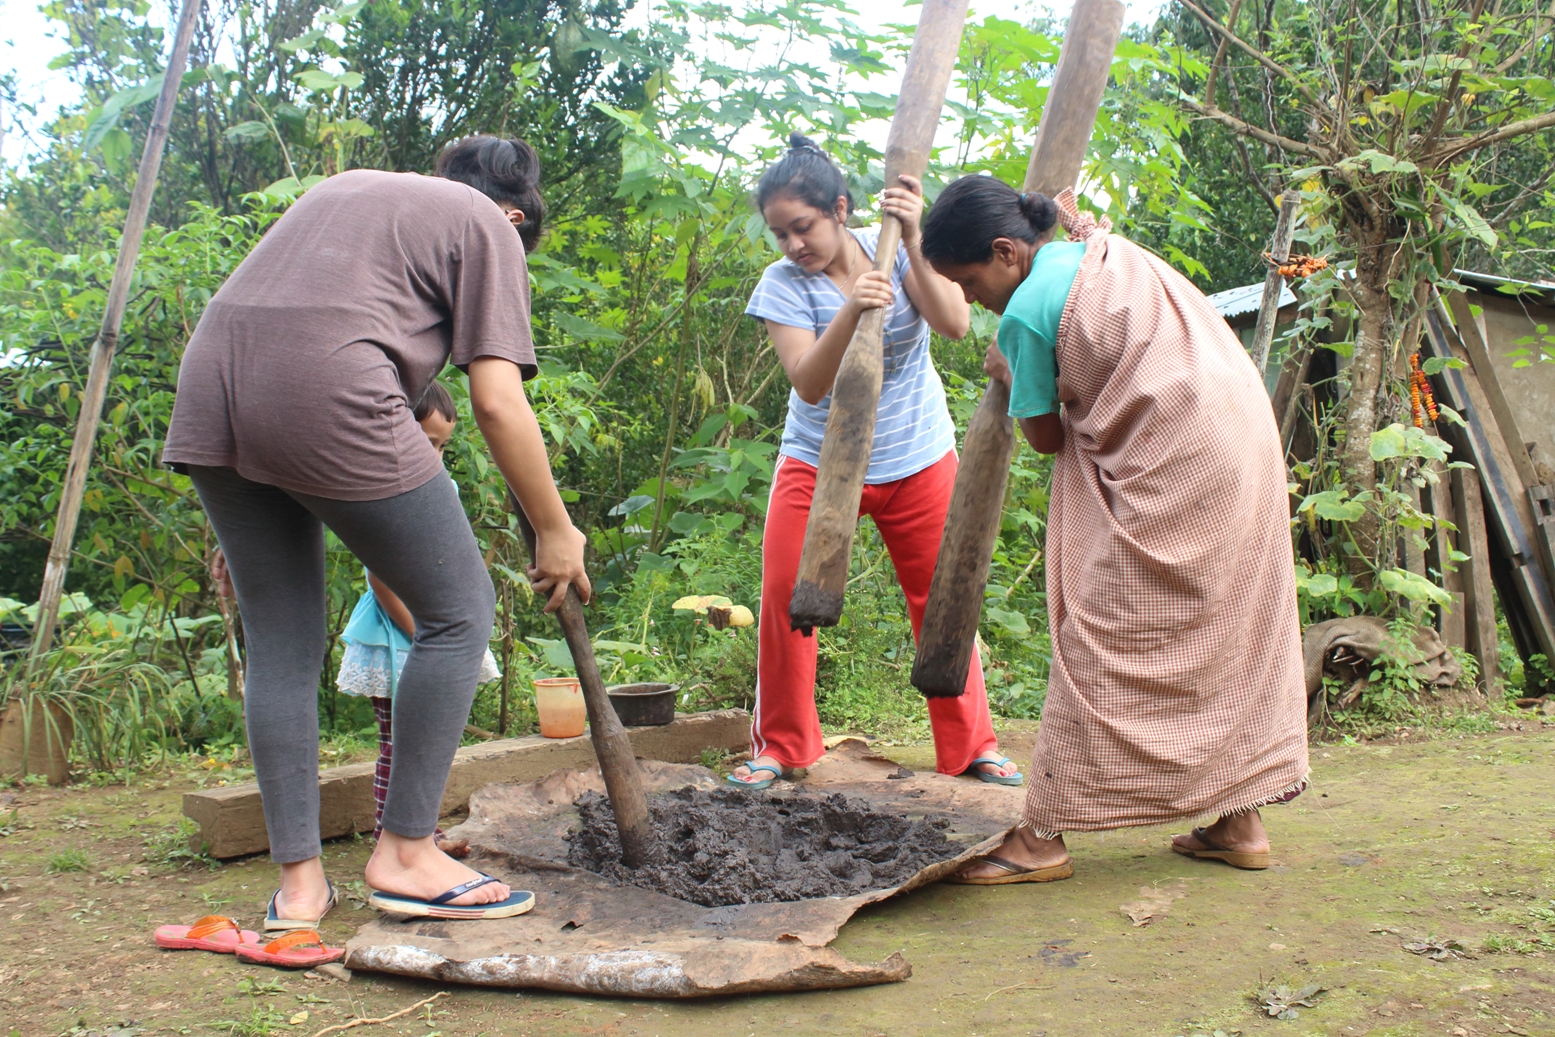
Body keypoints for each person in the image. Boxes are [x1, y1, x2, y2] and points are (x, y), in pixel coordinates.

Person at [164, 136, 590, 942]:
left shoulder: (353, 189)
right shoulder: (488, 222)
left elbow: (285, 329)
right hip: (324, 384)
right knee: (458, 611)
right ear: (513, 215)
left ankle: (297, 887)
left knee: (282, 642)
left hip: (211, 384)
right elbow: (496, 402)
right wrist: (553, 527)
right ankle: (406, 855)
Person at [917, 176, 1308, 884]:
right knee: (1227, 628)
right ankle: (1235, 818)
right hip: (1242, 443)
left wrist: (1007, 374)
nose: (971, 302)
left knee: (1100, 634)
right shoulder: (1097, 250)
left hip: (1179, 465)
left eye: (969, 283)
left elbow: (1042, 438)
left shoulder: (1026, 315)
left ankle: (1040, 836)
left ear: (1006, 251)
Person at [726, 133, 1020, 790]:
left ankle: (970, 745)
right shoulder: (781, 285)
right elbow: (807, 381)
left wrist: (912, 241)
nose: (793, 244)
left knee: (944, 596)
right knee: (785, 598)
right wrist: (851, 308)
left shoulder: (893, 254)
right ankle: (783, 744)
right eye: (779, 234)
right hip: (818, 461)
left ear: (837, 208)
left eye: (801, 226)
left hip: (914, 453)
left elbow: (952, 323)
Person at [334, 380, 502, 859]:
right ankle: (398, 840)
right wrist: (428, 635)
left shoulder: (438, 485)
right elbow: (380, 579)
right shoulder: (382, 486)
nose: (435, 455)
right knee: (399, 744)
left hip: (432, 626)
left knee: (428, 741)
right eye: (425, 443)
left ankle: (419, 834)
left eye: (442, 446)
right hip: (399, 635)